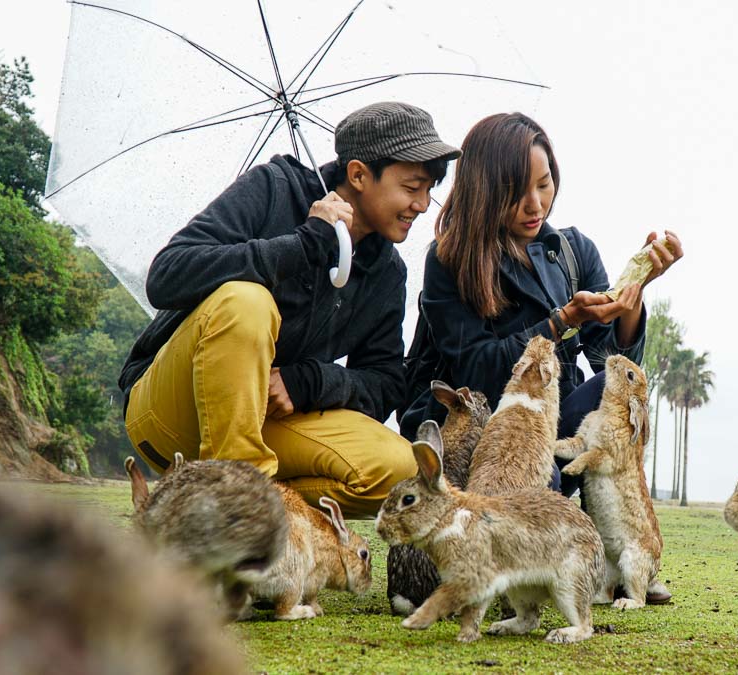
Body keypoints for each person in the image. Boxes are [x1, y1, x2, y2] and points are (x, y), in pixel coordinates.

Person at [119, 101, 460, 518]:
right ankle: (242, 507)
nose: (423, 204)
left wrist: (307, 383)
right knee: (246, 301)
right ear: (358, 174)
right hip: (172, 413)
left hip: (267, 423)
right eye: (412, 188)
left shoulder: (387, 272)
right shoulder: (274, 187)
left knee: (401, 470)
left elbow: (385, 383)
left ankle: (255, 506)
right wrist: (303, 245)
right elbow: (166, 276)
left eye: (429, 190)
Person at [400, 112, 683, 488]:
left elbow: (616, 367)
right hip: (489, 437)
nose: (535, 204)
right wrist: (560, 321)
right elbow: (476, 371)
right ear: (484, 190)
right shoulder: (450, 260)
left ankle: (609, 523)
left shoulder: (573, 251)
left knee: (618, 390)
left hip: (555, 428)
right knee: (539, 473)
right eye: (517, 192)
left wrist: (634, 292)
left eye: (544, 184)